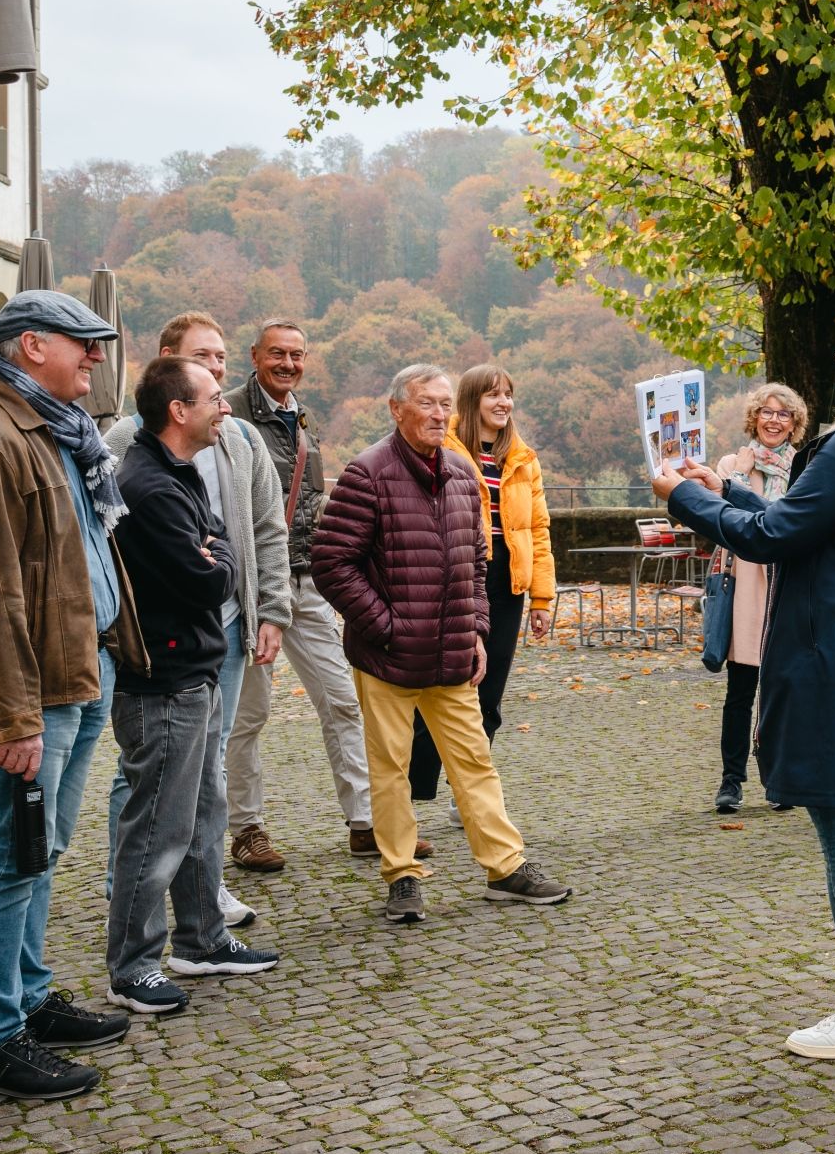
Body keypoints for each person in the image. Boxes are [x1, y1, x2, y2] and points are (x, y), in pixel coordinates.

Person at [653, 300, 835, 1061]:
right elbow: (815, 522)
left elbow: (774, 537)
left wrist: (686, 499)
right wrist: (722, 491)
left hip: (833, 659)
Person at [0, 291, 145, 1101]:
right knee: (10, 857)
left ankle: (26, 997)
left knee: (41, 850)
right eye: (81, 341)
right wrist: (15, 717)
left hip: (79, 673)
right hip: (36, 694)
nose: (96, 355)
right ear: (29, 347)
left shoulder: (55, 430)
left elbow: (82, 554)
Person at [311, 364, 572, 924]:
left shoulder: (459, 472)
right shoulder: (367, 473)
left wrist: (476, 629)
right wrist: (385, 626)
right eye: (425, 403)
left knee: (474, 762)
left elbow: (476, 561)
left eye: (444, 404)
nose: (437, 414)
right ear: (396, 409)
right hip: (386, 657)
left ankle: (505, 868)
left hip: (452, 652)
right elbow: (331, 563)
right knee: (390, 768)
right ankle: (401, 875)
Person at [103, 312, 291, 933]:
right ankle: (128, 884)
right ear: (170, 370)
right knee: (148, 769)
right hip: (156, 636)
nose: (218, 368)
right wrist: (215, 557)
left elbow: (266, 527)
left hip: (230, 628)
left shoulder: (240, 439)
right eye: (202, 358)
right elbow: (107, 532)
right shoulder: (125, 444)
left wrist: (271, 610)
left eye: (221, 358)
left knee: (210, 764)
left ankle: (203, 892)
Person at [223, 318, 408, 871]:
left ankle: (366, 823)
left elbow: (311, 503)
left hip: (304, 579)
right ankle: (247, 828)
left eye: (297, 355)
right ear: (254, 355)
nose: (288, 363)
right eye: (277, 353)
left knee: (343, 700)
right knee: (249, 715)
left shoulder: (302, 418)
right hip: (254, 585)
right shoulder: (231, 415)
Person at [410, 365, 557, 825]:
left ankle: (468, 794)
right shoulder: (444, 448)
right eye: (493, 394)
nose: (503, 403)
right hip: (456, 579)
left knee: (489, 694)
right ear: (472, 400)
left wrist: (541, 599)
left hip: (507, 585)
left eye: (508, 394)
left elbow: (538, 529)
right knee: (442, 688)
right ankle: (411, 791)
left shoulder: (523, 458)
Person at [710, 382, 809, 814]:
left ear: (794, 423)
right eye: (767, 412)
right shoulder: (731, 465)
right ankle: (731, 781)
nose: (774, 420)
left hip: (788, 585)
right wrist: (737, 477)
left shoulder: (804, 468)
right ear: (754, 418)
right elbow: (721, 518)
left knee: (782, 690)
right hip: (746, 587)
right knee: (740, 690)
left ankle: (780, 777)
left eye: (783, 414)